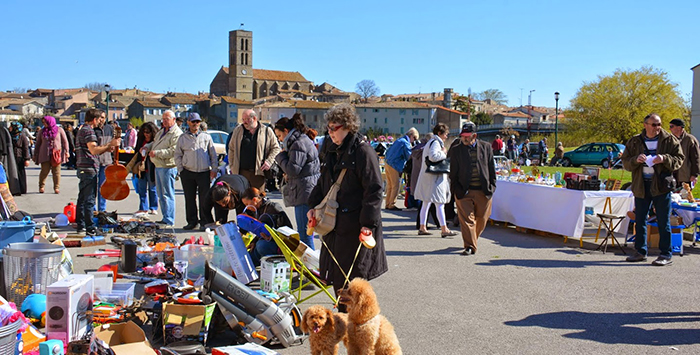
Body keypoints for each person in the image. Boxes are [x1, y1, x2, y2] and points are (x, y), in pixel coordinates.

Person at [306, 103, 387, 304]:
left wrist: (367, 224)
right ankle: (346, 324)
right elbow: (323, 182)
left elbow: (375, 190)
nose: (331, 133)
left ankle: (357, 327)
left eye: (335, 128)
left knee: (353, 282)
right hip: (333, 227)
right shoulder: (330, 149)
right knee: (337, 280)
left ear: (348, 126)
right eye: (329, 128)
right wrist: (312, 206)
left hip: (355, 227)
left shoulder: (363, 151)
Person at [621, 113, 684, 266]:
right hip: (641, 185)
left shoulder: (669, 140)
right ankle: (640, 252)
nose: (657, 128)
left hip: (661, 186)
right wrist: (635, 160)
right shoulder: (635, 141)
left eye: (659, 124)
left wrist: (664, 159)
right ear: (645, 125)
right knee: (640, 219)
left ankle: (665, 254)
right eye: (654, 125)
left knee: (663, 221)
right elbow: (626, 162)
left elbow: (679, 160)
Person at [449, 122, 497, 256]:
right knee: (467, 220)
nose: (464, 138)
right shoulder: (456, 150)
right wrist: (455, 190)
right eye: (462, 136)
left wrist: (492, 186)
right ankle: (470, 246)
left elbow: (491, 169)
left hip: (483, 191)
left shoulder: (486, 147)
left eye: (467, 136)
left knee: (481, 219)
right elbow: (453, 173)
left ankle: (472, 239)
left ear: (474, 135)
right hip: (464, 191)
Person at [274, 114, 320, 249]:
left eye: (279, 136)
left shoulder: (298, 144)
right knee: (307, 232)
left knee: (305, 234)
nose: (279, 139)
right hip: (306, 189)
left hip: (304, 192)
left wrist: (281, 156)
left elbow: (293, 169)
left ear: (286, 132)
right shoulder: (300, 141)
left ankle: (309, 267)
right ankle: (310, 266)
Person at [75, 109, 121, 236]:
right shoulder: (88, 131)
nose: (101, 121)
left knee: (82, 198)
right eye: (99, 119)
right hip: (88, 168)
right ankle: (90, 227)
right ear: (94, 120)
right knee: (89, 199)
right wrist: (109, 145)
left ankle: (81, 225)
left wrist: (106, 148)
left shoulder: (82, 130)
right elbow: (93, 150)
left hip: (84, 167)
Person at [174, 113, 218, 231]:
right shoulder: (183, 138)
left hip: (203, 172)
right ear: (188, 122)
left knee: (204, 199)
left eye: (197, 122)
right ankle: (192, 222)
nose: (195, 124)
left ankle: (205, 222)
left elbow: (213, 154)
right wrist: (181, 170)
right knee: (189, 198)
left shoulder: (206, 137)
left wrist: (214, 169)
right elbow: (177, 155)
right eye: (193, 122)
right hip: (188, 172)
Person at [414, 123, 456, 238]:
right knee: (439, 202)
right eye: (446, 134)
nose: (447, 136)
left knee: (426, 202)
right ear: (440, 133)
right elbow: (433, 157)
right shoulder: (436, 143)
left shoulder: (431, 142)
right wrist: (444, 153)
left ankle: (423, 227)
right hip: (434, 177)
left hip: (428, 176)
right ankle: (444, 229)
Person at [227, 109, 280, 192]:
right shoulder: (238, 130)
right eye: (243, 119)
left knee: (257, 200)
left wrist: (269, 161)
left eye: (247, 119)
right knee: (241, 200)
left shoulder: (266, 131)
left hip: (258, 173)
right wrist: (232, 166)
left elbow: (276, 148)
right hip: (241, 172)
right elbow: (231, 149)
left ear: (254, 118)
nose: (244, 122)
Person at [240, 187, 294, 266]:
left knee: (261, 246)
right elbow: (260, 230)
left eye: (247, 204)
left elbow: (288, 229)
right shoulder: (257, 209)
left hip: (279, 245)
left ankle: (276, 263)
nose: (247, 207)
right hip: (265, 241)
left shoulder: (273, 208)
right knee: (246, 260)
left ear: (255, 200)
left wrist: (271, 237)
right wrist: (254, 242)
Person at [149, 110, 183, 227]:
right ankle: (165, 217)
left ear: (174, 120)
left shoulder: (176, 133)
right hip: (158, 166)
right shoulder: (161, 132)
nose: (164, 121)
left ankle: (169, 219)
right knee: (160, 194)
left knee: (167, 194)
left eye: (166, 119)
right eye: (163, 119)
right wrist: (146, 147)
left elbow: (174, 151)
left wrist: (157, 153)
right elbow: (154, 144)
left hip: (168, 167)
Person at [126, 122, 159, 214]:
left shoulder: (156, 141)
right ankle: (143, 208)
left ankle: (153, 207)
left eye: (148, 132)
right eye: (144, 132)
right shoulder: (140, 140)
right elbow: (136, 152)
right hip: (141, 166)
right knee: (141, 188)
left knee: (152, 188)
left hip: (151, 166)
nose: (146, 134)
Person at [383, 127, 419, 211]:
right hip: (394, 165)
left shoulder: (399, 140)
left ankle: (387, 203)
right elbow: (409, 156)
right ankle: (392, 204)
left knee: (390, 186)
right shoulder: (405, 143)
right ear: (411, 136)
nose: (414, 141)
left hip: (387, 163)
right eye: (415, 138)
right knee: (395, 185)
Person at [33, 116, 69, 194]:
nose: (44, 124)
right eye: (43, 122)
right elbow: (38, 143)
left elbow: (65, 141)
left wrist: (66, 151)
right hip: (45, 155)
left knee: (56, 172)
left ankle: (56, 187)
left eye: (45, 122)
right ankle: (41, 186)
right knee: (44, 171)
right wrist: (35, 154)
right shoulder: (42, 131)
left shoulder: (59, 130)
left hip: (56, 155)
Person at [669, 118, 700, 187]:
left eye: (671, 126)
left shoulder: (690, 139)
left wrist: (694, 174)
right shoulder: (670, 140)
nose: (670, 129)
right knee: (673, 197)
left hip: (685, 175)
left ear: (679, 127)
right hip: (671, 175)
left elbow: (696, 158)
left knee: (685, 196)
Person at [10, 122, 30, 195]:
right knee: (13, 173)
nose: (10, 128)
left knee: (20, 173)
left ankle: (22, 189)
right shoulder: (10, 135)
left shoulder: (22, 136)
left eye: (12, 127)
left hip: (20, 157)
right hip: (12, 156)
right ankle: (14, 189)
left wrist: (27, 159)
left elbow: (26, 148)